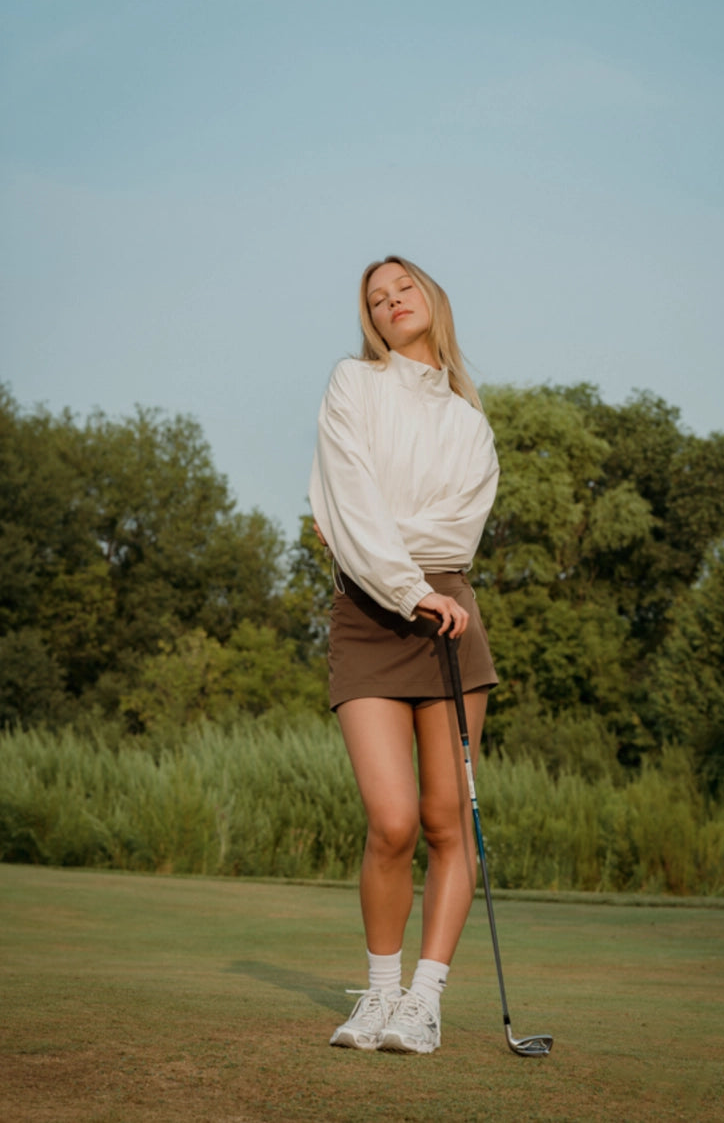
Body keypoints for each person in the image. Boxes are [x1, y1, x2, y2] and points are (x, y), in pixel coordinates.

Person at [308, 255, 499, 1055]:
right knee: (391, 822)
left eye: (403, 288)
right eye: (376, 299)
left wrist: (376, 537)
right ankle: (380, 995)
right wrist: (399, 576)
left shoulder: (470, 422)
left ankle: (424, 1003)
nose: (391, 302)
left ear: (431, 298)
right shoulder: (353, 384)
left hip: (451, 617)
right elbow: (344, 499)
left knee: (446, 821)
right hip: (369, 613)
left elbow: (453, 531)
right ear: (370, 320)